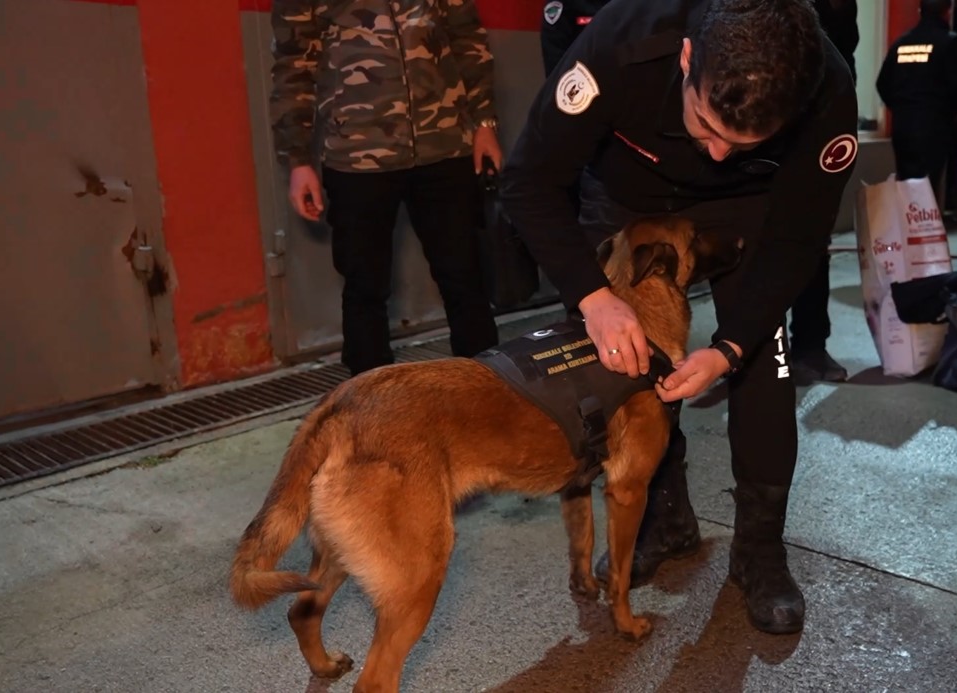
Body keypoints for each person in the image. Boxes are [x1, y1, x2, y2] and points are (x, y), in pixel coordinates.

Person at [501, 0, 858, 634]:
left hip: (747, 206)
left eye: (740, 142)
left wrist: (731, 346)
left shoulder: (825, 91)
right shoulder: (622, 42)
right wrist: (593, 296)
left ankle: (759, 549)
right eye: (706, 125)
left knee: (764, 367)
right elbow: (529, 181)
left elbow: (798, 238)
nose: (716, 154)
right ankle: (663, 519)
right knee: (617, 372)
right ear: (688, 57)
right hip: (626, 197)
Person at [269, 0, 502, 375]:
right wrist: (297, 160)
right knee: (364, 288)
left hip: (445, 145)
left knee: (465, 276)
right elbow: (293, 67)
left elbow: (466, 37)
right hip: (356, 156)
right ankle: (369, 399)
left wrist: (485, 124)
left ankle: (487, 388)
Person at [789, 0, 860, 386]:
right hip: (768, 117)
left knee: (814, 244)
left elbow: (846, 53)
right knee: (752, 241)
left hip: (820, 125)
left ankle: (811, 343)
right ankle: (751, 347)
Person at [875, 0, 957, 193]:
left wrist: (900, 108)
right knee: (928, 187)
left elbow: (882, 83)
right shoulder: (949, 42)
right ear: (947, 12)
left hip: (903, 124)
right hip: (934, 124)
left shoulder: (902, 43)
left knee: (906, 182)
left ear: (919, 11)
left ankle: (906, 213)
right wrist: (950, 114)